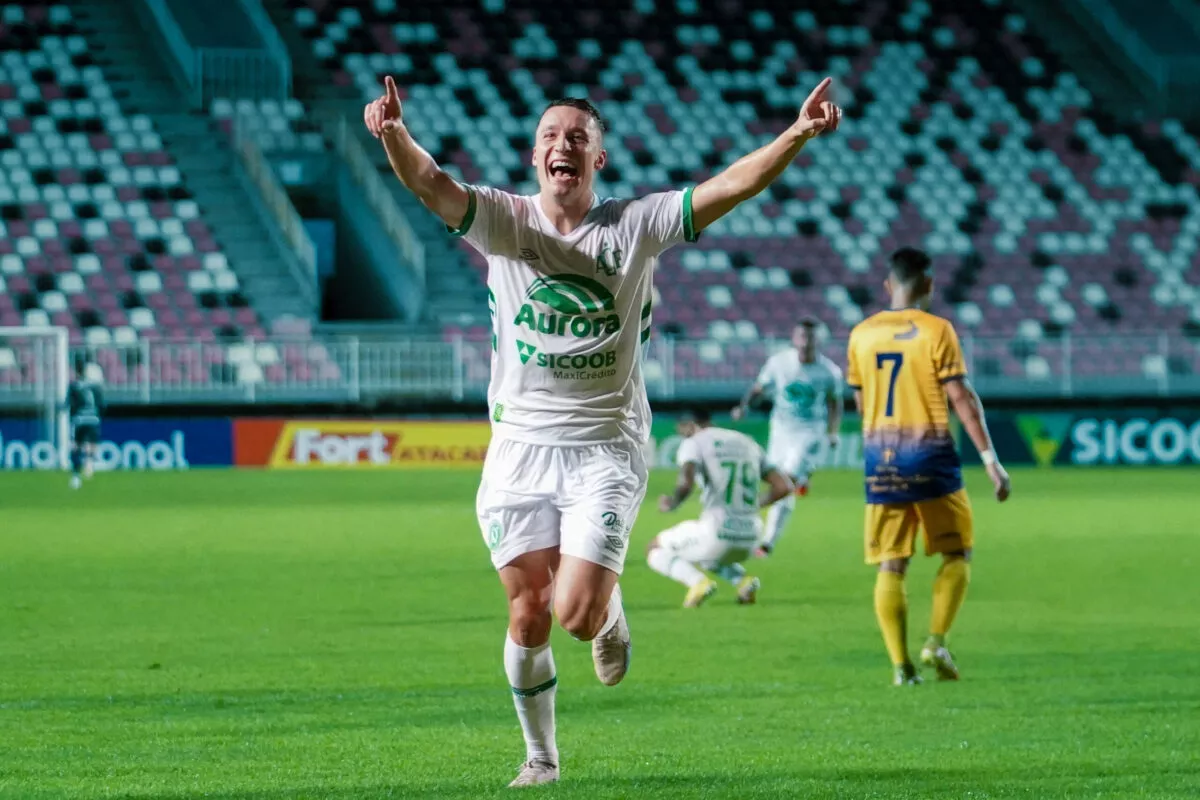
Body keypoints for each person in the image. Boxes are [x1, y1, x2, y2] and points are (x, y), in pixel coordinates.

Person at [365, 75, 841, 785]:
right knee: (528, 616)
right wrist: (394, 134)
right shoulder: (504, 220)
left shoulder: (635, 225)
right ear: (535, 157)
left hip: (604, 450)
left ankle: (608, 610)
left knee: (577, 616)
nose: (564, 145)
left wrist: (797, 134)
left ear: (598, 158)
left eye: (578, 137)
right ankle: (541, 758)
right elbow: (430, 183)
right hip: (519, 451)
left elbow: (730, 187)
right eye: (551, 136)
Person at [845, 247, 1011, 686]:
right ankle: (936, 641)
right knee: (957, 552)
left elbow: (861, 402)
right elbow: (961, 398)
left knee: (891, 564)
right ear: (928, 284)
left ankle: (901, 667)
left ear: (888, 284)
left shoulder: (860, 335)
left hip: (882, 462)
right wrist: (990, 460)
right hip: (931, 457)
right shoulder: (937, 330)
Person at [648, 409, 793, 607]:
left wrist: (672, 502)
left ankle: (697, 583)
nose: (682, 435)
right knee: (705, 555)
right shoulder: (747, 442)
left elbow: (685, 483)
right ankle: (743, 581)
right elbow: (784, 487)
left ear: (690, 425)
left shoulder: (695, 442)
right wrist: (752, 505)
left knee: (655, 547)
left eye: (682, 430)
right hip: (751, 537)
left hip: (718, 532)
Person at [731, 318, 842, 557]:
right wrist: (744, 407)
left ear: (818, 341)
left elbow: (834, 403)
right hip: (780, 430)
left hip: (810, 432)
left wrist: (833, 431)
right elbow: (759, 388)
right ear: (794, 338)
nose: (805, 342)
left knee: (785, 481)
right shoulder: (778, 363)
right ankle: (802, 478)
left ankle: (758, 529)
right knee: (781, 485)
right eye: (802, 336)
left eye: (810, 337)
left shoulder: (829, 371)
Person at [65, 359, 103, 490]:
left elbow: (69, 404)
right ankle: (90, 463)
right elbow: (101, 404)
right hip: (93, 418)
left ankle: (76, 475)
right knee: (92, 444)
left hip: (80, 419)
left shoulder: (74, 386)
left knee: (76, 445)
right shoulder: (95, 386)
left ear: (76, 371)